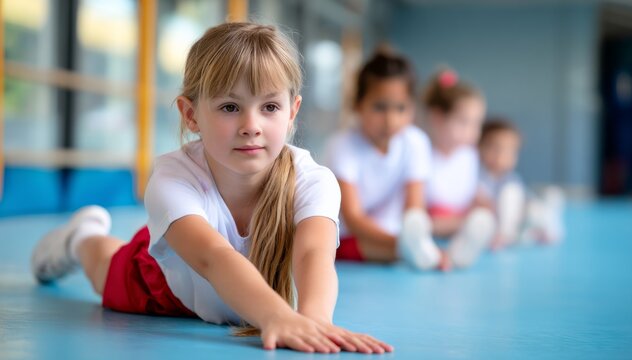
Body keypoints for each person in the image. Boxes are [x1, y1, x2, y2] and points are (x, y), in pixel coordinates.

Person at [31, 22, 393, 354]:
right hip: (172, 282)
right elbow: (213, 257)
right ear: (191, 115)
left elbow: (313, 254)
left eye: (269, 106)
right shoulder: (173, 177)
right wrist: (275, 316)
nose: (251, 125)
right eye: (230, 106)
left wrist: (316, 319)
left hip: (250, 298)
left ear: (292, 111)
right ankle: (82, 238)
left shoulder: (314, 180)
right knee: (103, 268)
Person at [324, 49, 444, 270]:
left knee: (422, 249)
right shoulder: (343, 146)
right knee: (338, 246)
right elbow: (353, 218)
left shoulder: (416, 142)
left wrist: (412, 237)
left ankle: (435, 254)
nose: (391, 120)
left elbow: (414, 208)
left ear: (413, 108)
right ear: (358, 105)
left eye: (401, 108)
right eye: (380, 107)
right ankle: (425, 255)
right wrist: (402, 244)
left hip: (395, 235)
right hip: (347, 237)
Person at [422, 69, 495, 268]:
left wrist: (485, 203)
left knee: (486, 214)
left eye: (476, 124)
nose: (472, 132)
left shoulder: (468, 155)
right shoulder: (423, 153)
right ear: (438, 118)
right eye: (463, 122)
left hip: (460, 217)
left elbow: (470, 191)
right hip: (434, 221)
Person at [478, 117, 564, 249]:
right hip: (496, 223)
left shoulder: (512, 178)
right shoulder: (478, 176)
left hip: (518, 218)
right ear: (480, 148)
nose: (501, 156)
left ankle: (548, 225)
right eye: (496, 149)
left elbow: (524, 199)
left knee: (538, 208)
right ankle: (505, 234)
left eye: (510, 151)